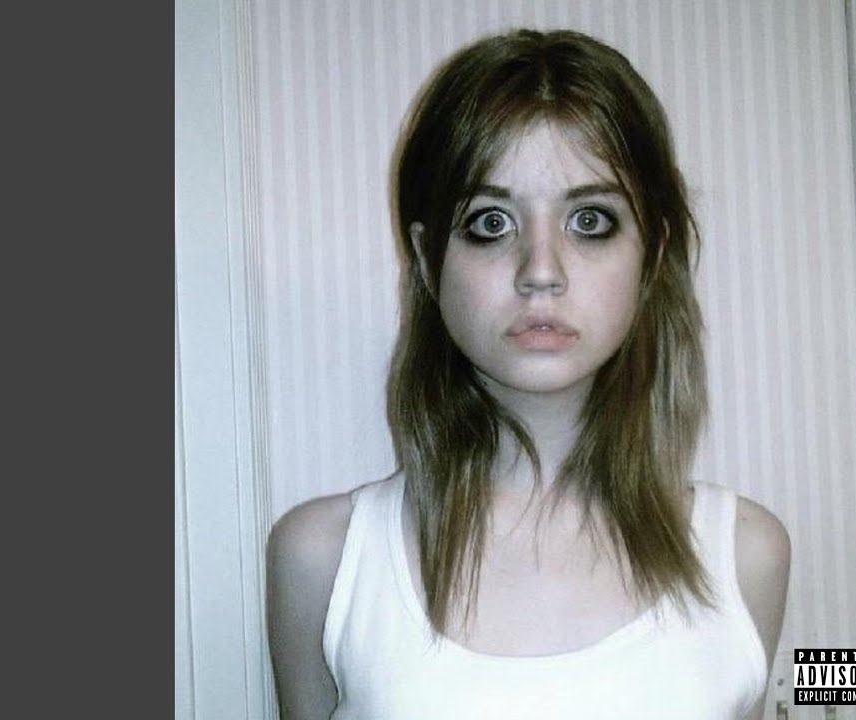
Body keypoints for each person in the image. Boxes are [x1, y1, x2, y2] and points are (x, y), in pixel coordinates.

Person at [266, 28, 790, 720]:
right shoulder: (322, 561)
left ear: (652, 254)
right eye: (490, 223)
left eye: (591, 220)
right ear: (427, 260)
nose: (541, 270)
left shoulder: (748, 555)